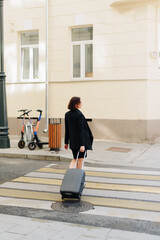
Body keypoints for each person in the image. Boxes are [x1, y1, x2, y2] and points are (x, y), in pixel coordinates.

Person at [64, 97, 93, 169]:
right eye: (80, 102)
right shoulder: (79, 115)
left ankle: (71, 174)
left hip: (73, 142)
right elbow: (81, 130)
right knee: (80, 160)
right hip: (81, 142)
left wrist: (66, 142)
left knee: (75, 159)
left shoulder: (67, 114)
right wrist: (82, 145)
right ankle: (78, 178)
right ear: (76, 104)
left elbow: (67, 129)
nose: (81, 103)